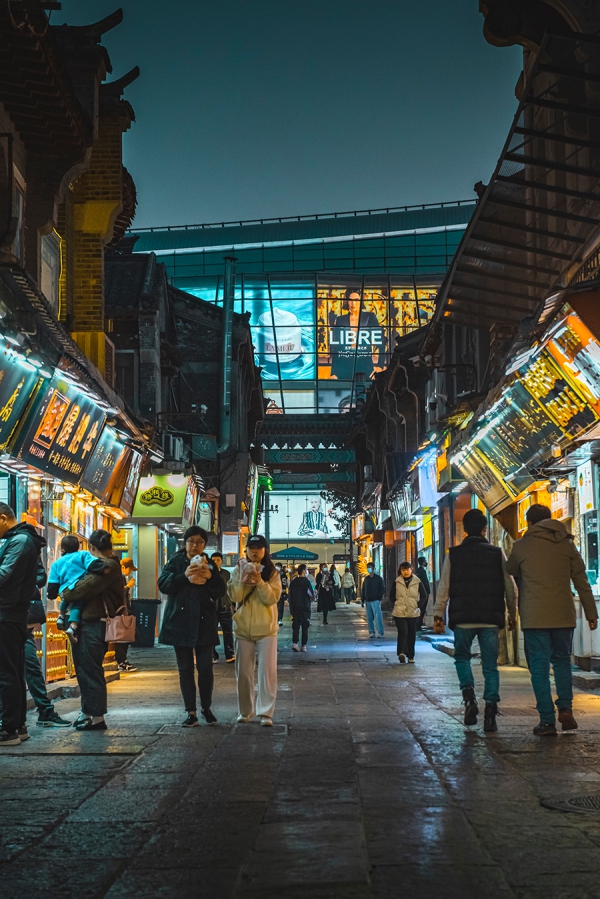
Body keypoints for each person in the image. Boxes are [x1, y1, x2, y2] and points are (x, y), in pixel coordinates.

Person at [505, 503, 598, 736]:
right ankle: (566, 708)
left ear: (529, 523)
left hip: (535, 616)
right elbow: (581, 581)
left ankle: (547, 721)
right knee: (562, 662)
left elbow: (510, 568)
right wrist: (591, 613)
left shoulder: (521, 545)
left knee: (539, 667)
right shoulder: (567, 545)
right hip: (563, 615)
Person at [433, 509, 517, 732]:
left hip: (463, 618)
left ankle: (469, 699)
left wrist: (438, 614)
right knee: (490, 666)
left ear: (464, 530)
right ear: (484, 529)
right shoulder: (497, 553)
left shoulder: (454, 554)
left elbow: (444, 586)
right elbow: (511, 587)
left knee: (462, 658)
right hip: (490, 618)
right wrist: (512, 613)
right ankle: (491, 712)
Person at [158, 527, 225, 727]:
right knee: (185, 669)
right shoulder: (175, 562)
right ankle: (191, 712)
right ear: (185, 543)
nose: (194, 545)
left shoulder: (210, 564)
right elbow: (163, 584)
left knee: (205, 668)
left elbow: (220, 591)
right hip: (180, 622)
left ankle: (206, 707)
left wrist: (211, 576)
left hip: (204, 623)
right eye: (191, 541)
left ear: (204, 545)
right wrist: (183, 575)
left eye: (199, 542)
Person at [60, 530, 125, 732]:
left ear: (92, 548)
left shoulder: (108, 566)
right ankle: (87, 713)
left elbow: (82, 589)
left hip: (95, 624)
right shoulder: (103, 565)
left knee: (91, 670)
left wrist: (67, 590)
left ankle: (97, 718)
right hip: (88, 623)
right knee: (85, 669)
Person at [0, 506, 47, 746]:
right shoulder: (19, 540)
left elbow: (4, 574)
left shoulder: (19, 541)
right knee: (14, 671)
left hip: (8, 614)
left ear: (3, 518)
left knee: (7, 672)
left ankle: (8, 729)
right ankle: (17, 725)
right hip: (12, 613)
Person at [228, 534, 281, 726]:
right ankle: (245, 711)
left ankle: (266, 713)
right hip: (242, 629)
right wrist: (242, 579)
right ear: (246, 550)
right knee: (243, 673)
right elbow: (234, 596)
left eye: (259, 548)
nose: (255, 551)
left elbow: (272, 598)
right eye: (251, 548)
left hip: (267, 629)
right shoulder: (237, 569)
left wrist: (259, 581)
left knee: (267, 673)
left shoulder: (272, 573)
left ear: (265, 551)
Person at [25, 578, 71, 730]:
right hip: (13, 618)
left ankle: (44, 712)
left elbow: (40, 577)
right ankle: (14, 720)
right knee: (24, 669)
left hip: (19, 620)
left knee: (30, 667)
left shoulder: (24, 556)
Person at [49, 535, 103, 642]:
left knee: (65, 600)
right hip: (78, 588)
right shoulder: (83, 554)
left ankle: (61, 616)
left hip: (65, 590)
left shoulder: (57, 563)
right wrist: (103, 568)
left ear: (62, 549)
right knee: (77, 605)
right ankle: (73, 626)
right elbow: (94, 564)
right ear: (78, 547)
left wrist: (51, 595)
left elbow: (53, 584)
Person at [329, 289, 383, 381]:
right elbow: (336, 348)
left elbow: (380, 342)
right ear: (347, 302)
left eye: (356, 300)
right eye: (350, 300)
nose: (353, 303)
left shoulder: (369, 317)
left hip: (365, 364)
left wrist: (380, 366)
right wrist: (333, 372)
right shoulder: (340, 320)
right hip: (345, 365)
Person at [390, 561, 427, 663]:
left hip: (413, 611)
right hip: (399, 612)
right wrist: (396, 604)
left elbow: (424, 595)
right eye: (403, 570)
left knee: (411, 633)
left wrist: (418, 605)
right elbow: (391, 595)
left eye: (407, 569)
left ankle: (411, 655)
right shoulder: (397, 581)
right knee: (403, 632)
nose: (405, 572)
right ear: (400, 571)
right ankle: (401, 652)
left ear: (411, 570)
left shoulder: (417, 581)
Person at [114, 558, 137, 673]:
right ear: (123, 567)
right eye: (130, 569)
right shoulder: (119, 578)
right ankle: (121, 661)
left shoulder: (121, 577)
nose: (130, 572)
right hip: (121, 612)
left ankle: (123, 660)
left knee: (126, 637)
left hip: (124, 611)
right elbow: (118, 593)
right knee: (122, 639)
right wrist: (128, 586)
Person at [211, 552, 235, 663]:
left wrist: (232, 605)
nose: (216, 562)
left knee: (228, 632)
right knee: (211, 632)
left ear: (222, 561)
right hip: (212, 607)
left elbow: (230, 589)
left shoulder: (226, 574)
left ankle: (229, 654)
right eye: (213, 560)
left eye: (218, 560)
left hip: (225, 606)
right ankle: (212, 655)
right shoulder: (208, 574)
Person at [289, 563, 314, 651]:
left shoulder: (293, 582)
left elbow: (290, 596)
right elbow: (311, 594)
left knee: (295, 626)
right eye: (306, 570)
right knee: (304, 626)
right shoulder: (307, 582)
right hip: (305, 607)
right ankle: (303, 645)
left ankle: (295, 643)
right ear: (303, 571)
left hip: (295, 607)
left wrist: (291, 608)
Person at [361, 562, 385, 638]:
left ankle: (380, 632)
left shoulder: (378, 579)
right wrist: (362, 599)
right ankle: (371, 632)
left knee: (378, 617)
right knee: (369, 618)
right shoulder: (366, 579)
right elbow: (364, 589)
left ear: (373, 568)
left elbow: (382, 589)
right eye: (367, 567)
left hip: (375, 600)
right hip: (368, 601)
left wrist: (379, 597)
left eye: (370, 567)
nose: (368, 569)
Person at [415, 556, 431, 630]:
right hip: (423, 593)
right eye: (425, 561)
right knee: (422, 608)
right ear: (423, 562)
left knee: (420, 608)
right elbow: (425, 582)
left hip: (418, 592)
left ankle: (418, 624)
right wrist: (428, 591)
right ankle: (418, 624)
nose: (426, 562)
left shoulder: (417, 571)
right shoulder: (422, 571)